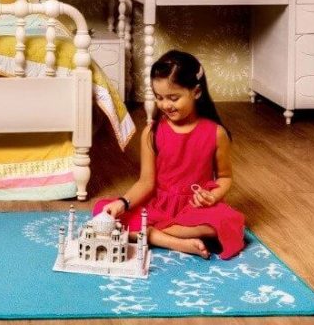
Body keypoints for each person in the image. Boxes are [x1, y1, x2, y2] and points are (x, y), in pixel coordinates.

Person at [94, 50, 245, 260]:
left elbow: (225, 178)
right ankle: (170, 240)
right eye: (159, 97)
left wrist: (213, 196)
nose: (165, 105)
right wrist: (123, 202)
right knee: (103, 210)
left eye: (173, 98)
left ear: (197, 92)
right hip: (159, 206)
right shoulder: (152, 132)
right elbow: (146, 183)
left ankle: (151, 234)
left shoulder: (215, 133)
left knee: (230, 220)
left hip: (194, 208)